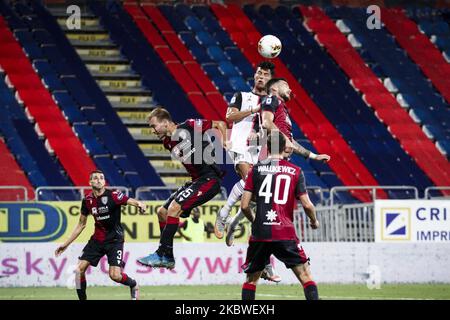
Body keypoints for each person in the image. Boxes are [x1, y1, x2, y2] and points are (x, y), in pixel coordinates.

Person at [137, 107, 228, 269]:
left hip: (210, 179)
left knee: (173, 209)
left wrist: (225, 142)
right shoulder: (167, 142)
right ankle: (168, 257)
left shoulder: (190, 125)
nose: (153, 131)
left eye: (154, 126)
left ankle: (161, 253)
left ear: (165, 123)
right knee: (162, 212)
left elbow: (219, 124)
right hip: (196, 181)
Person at [240, 131, 320, 300]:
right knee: (306, 277)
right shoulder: (296, 171)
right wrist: (314, 221)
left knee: (251, 280)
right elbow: (307, 204)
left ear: (266, 148)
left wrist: (256, 221)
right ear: (285, 148)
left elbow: (245, 205)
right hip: (284, 232)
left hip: (260, 233)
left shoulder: (255, 170)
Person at [55, 170, 146, 300]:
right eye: (95, 178)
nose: (99, 180)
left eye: (101, 178)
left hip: (114, 240)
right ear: (90, 182)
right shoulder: (87, 200)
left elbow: (132, 201)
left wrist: (140, 204)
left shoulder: (113, 195)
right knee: (78, 271)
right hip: (96, 241)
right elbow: (81, 224)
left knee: (115, 276)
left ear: (104, 182)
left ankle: (134, 284)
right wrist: (65, 244)